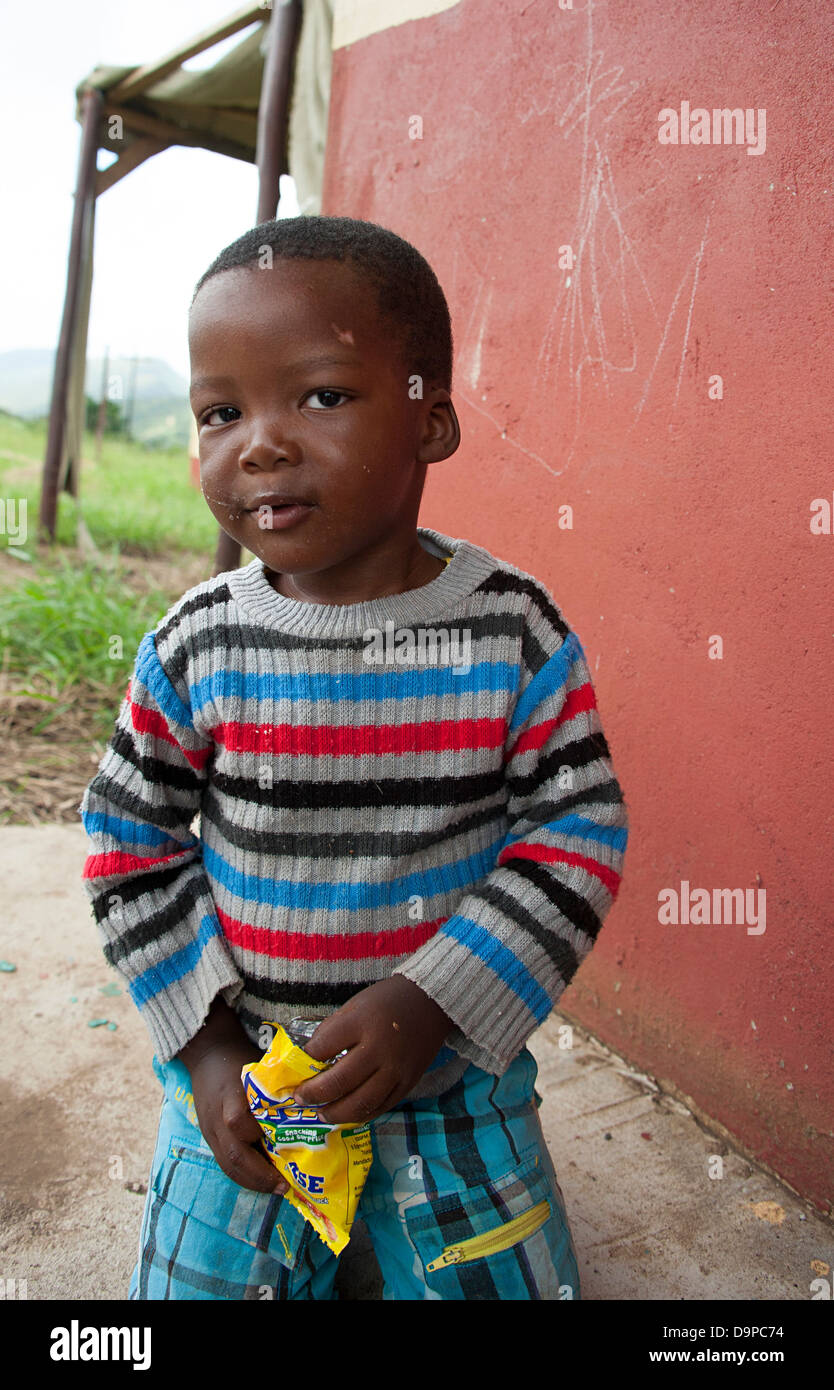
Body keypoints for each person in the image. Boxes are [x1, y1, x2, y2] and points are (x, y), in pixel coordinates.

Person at [79, 215, 629, 1301]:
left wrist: (433, 1002)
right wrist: (205, 1047)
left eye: (320, 396)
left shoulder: (511, 632)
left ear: (431, 422)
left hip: (452, 1079)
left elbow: (576, 832)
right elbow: (127, 839)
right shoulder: (196, 645)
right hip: (243, 1084)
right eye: (220, 412)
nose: (261, 444)